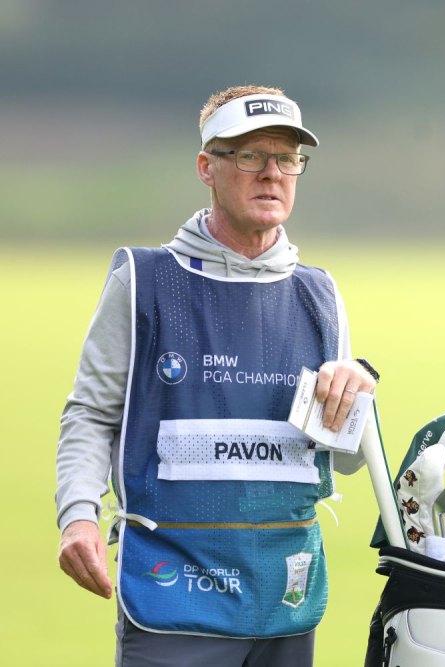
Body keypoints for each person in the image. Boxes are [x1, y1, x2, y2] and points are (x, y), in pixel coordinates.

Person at [55, 85, 378, 666]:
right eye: (249, 155)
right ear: (208, 167)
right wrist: (78, 515)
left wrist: (355, 396)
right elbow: (92, 412)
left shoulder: (320, 293)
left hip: (284, 590)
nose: (271, 174)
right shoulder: (143, 278)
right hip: (173, 587)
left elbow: (346, 458)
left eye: (286, 158)